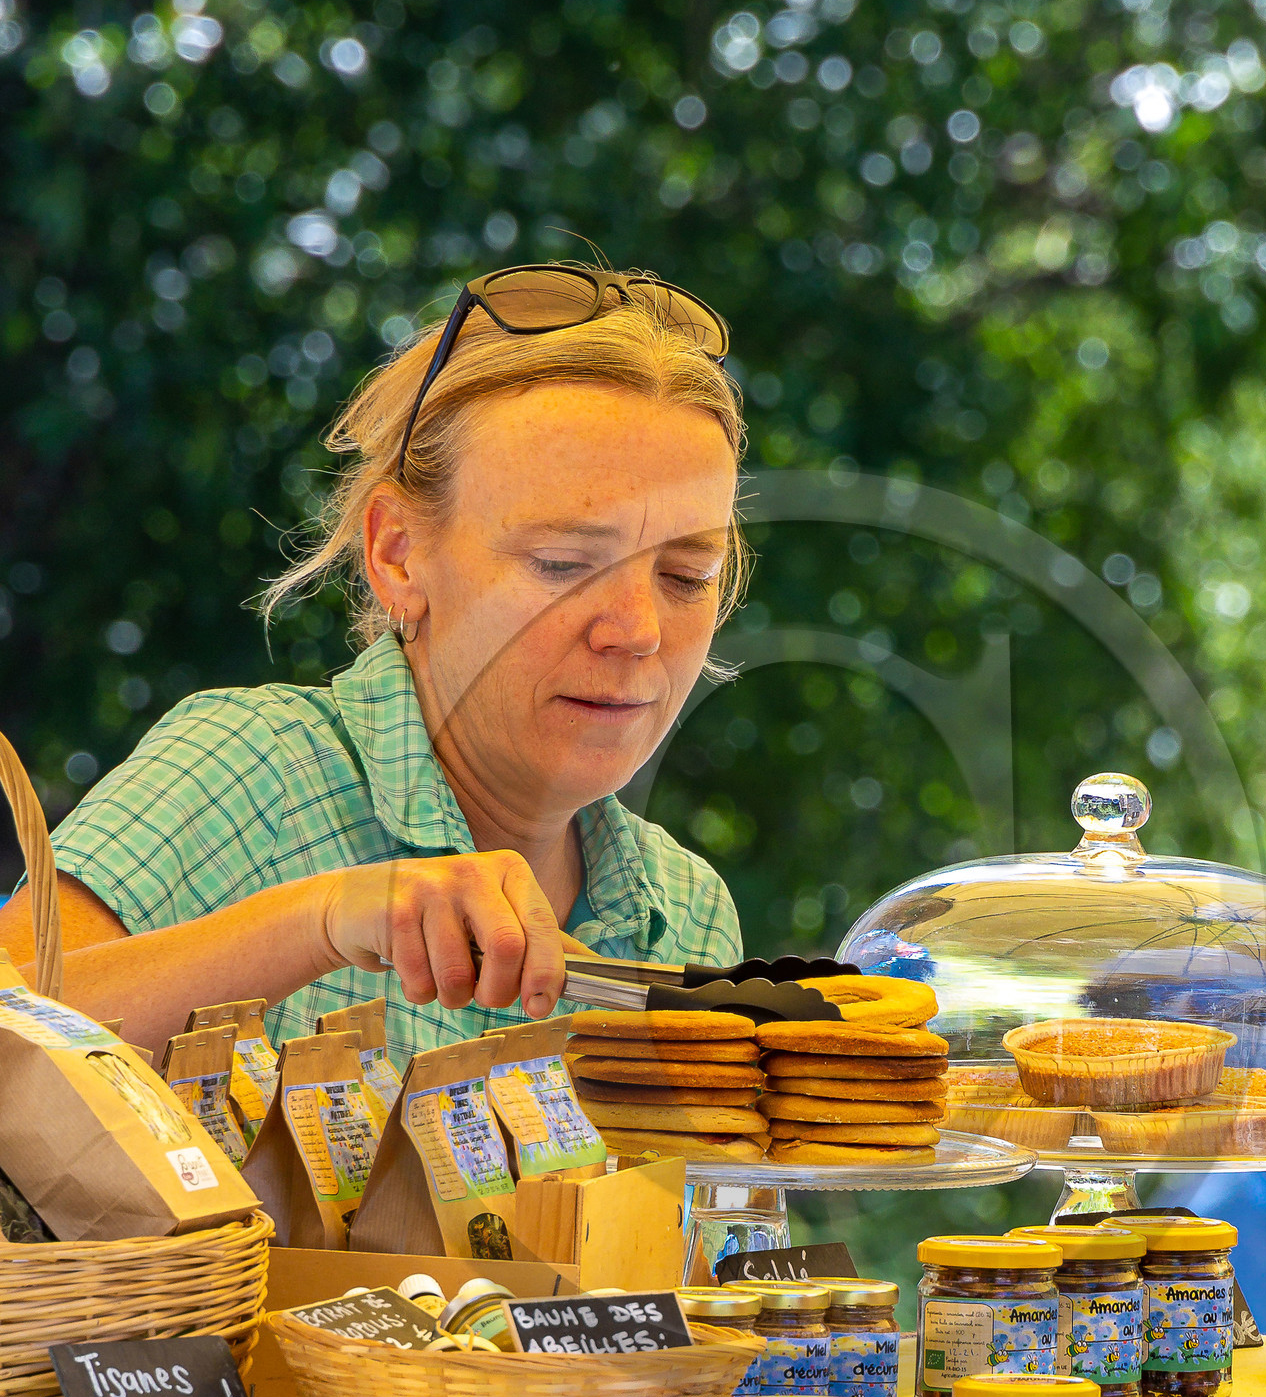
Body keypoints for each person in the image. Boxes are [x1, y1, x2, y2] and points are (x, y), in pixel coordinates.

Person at [0, 264, 746, 1057]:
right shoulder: (260, 770)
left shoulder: (689, 913)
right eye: (564, 563)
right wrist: (319, 921)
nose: (637, 630)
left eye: (685, 576)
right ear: (397, 554)